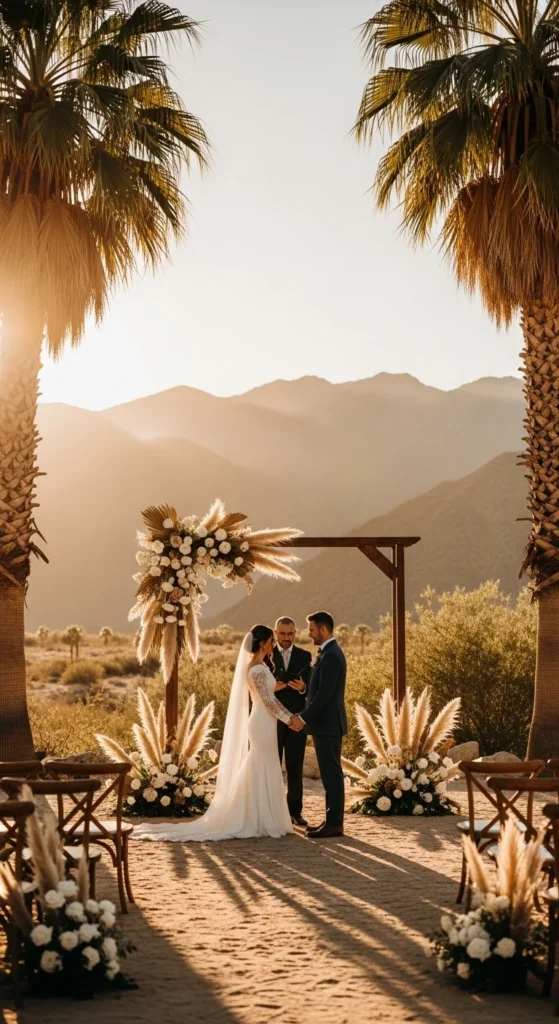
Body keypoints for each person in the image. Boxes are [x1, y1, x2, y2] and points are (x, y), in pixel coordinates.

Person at [131, 625, 299, 842]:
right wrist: (290, 718)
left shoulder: (259, 666)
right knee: (261, 763)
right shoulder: (257, 669)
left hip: (265, 722)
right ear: (262, 643)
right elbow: (267, 701)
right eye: (270, 640)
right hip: (261, 722)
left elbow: (267, 694)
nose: (273, 643)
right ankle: (258, 817)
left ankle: (264, 815)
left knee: (263, 763)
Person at [290, 611, 347, 839]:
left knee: (332, 775)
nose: (309, 634)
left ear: (323, 629)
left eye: (312, 629)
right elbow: (318, 689)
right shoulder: (327, 653)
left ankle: (334, 825)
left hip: (329, 724)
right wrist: (304, 689)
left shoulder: (332, 656)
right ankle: (331, 819)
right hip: (326, 724)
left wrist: (302, 718)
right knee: (329, 774)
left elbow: (325, 695)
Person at [272, 616, 312, 827]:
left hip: (296, 720)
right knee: (273, 766)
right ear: (275, 632)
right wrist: (271, 689)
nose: (286, 638)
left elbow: (312, 688)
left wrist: (302, 688)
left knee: (295, 767)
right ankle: (274, 813)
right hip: (272, 719)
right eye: (282, 633)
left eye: (290, 633)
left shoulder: (305, 656)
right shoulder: (267, 656)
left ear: (295, 633)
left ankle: (295, 813)